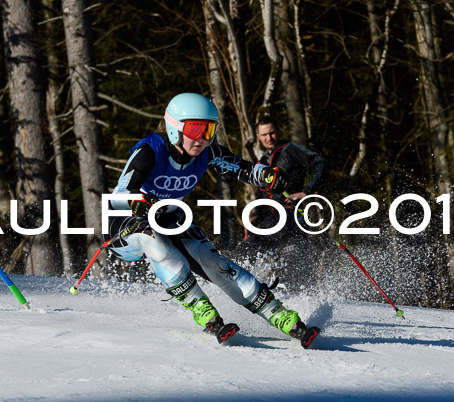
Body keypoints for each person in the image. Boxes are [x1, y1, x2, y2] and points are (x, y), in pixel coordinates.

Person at [104, 93, 320, 348]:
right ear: (175, 127)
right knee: (155, 241)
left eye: (209, 130)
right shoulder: (149, 151)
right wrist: (138, 203)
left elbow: (243, 168)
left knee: (211, 259)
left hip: (167, 218)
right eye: (196, 128)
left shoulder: (207, 152)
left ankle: (281, 316)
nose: (202, 138)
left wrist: (268, 176)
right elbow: (119, 196)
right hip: (125, 227)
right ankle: (203, 311)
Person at [242, 118, 327, 280]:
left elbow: (320, 162)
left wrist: (306, 191)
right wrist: (256, 214)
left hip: (291, 216)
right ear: (258, 137)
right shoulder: (262, 162)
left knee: (293, 261)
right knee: (253, 247)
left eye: (272, 133)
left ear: (279, 131)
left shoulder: (290, 150)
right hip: (271, 219)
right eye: (264, 134)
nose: (269, 138)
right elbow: (262, 193)